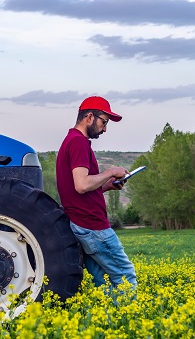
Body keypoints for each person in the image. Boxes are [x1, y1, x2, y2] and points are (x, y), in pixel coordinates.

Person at [56, 96, 137, 290]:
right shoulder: (78, 142)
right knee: (126, 278)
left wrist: (108, 185)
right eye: (104, 121)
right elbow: (82, 185)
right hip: (92, 226)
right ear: (89, 117)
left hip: (83, 224)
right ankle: (127, 318)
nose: (105, 128)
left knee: (101, 283)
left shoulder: (72, 141)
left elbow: (80, 188)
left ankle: (105, 318)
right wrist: (110, 171)